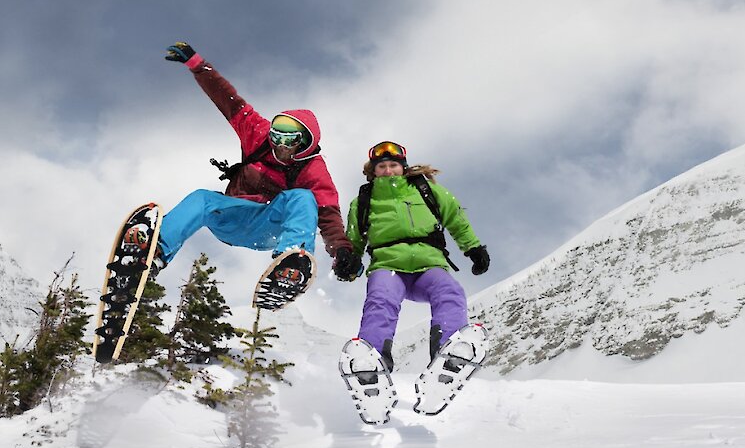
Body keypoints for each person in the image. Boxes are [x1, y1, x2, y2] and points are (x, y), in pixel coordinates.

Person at [153, 41, 353, 301]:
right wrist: (197, 65)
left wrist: (341, 250)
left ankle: (292, 261)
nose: (279, 146)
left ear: (304, 144)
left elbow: (328, 216)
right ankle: (155, 252)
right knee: (202, 198)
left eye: (288, 141)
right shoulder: (258, 136)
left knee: (303, 198)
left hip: (269, 226)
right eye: (276, 137)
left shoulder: (312, 168)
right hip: (234, 216)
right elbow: (228, 99)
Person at [337, 140, 491, 373]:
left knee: (450, 292)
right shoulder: (363, 202)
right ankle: (371, 360)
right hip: (388, 267)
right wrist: (349, 261)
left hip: (428, 266)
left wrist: (473, 248)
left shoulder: (425, 190)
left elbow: (456, 219)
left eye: (393, 165)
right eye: (382, 167)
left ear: (403, 167)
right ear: (373, 171)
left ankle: (449, 352)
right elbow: (354, 239)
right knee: (380, 299)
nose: (388, 171)